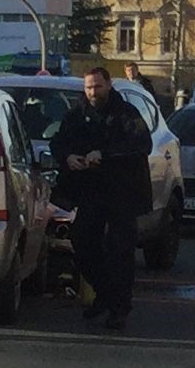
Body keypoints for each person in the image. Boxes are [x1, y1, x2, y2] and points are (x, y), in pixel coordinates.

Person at [50, 63, 152, 330]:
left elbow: (141, 144)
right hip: (91, 191)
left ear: (108, 85)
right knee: (82, 243)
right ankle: (105, 294)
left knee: (120, 251)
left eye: (97, 86)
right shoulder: (77, 113)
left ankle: (119, 308)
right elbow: (59, 142)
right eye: (88, 87)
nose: (93, 92)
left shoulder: (126, 113)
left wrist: (104, 155)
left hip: (122, 192)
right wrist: (68, 157)